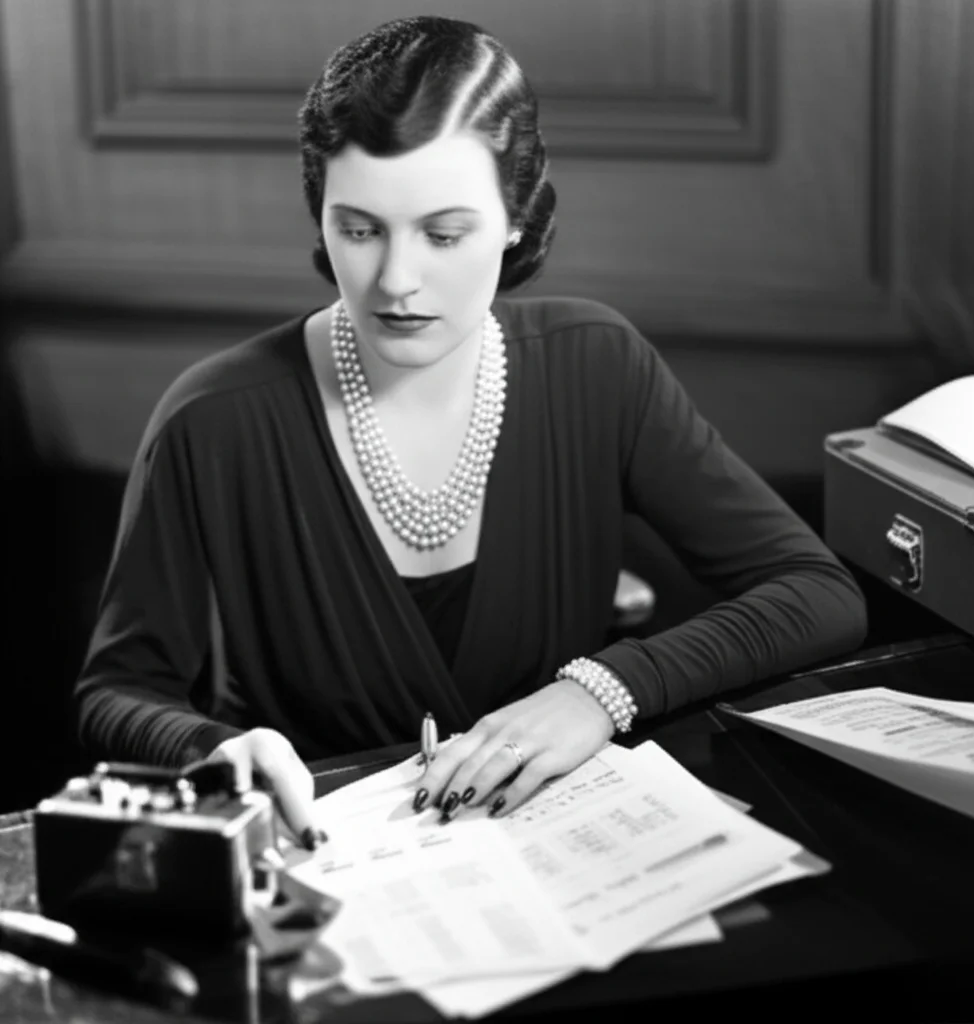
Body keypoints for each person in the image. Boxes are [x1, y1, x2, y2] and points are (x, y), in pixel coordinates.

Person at [73, 15, 867, 846]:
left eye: (444, 234)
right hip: (332, 874)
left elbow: (817, 593)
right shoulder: (213, 418)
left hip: (565, 869)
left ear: (516, 218)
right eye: (359, 228)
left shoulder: (594, 364)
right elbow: (115, 690)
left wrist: (600, 690)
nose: (396, 280)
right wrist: (221, 746)